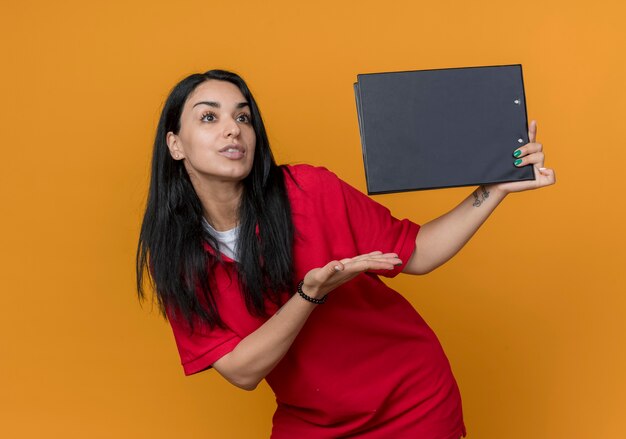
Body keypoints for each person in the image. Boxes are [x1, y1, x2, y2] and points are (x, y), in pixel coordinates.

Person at [136, 69, 556, 438]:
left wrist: (495, 187)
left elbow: (419, 252)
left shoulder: (309, 191)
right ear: (175, 144)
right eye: (210, 117)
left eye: (243, 116)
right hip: (312, 420)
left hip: (410, 404)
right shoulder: (176, 257)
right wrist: (310, 294)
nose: (233, 129)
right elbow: (243, 372)